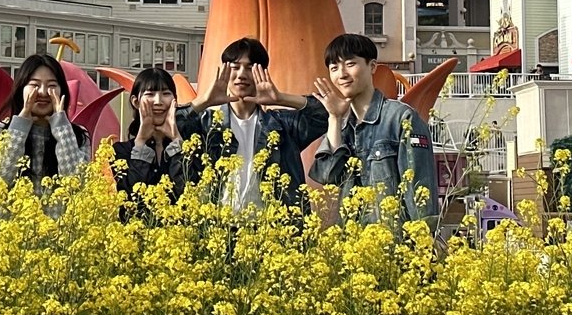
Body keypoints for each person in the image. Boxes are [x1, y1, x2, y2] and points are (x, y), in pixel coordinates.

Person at [176, 37, 329, 212]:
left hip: (274, 229)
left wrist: (280, 98)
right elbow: (167, 127)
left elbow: (327, 114)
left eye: (250, 67)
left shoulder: (282, 126)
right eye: (235, 67)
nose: (242, 74)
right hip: (219, 229)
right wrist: (204, 101)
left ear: (262, 72)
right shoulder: (207, 124)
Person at [309, 32, 439, 228]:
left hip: (396, 248)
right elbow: (328, 177)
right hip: (353, 248)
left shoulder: (401, 118)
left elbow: (420, 192)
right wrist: (334, 118)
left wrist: (423, 242)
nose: (342, 74)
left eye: (350, 64)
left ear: (372, 66)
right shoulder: (341, 125)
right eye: (334, 68)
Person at [0, 54, 90, 192]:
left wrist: (61, 128)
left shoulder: (78, 136)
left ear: (63, 91)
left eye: (52, 85)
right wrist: (20, 126)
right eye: (35, 85)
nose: (43, 92)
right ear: (21, 90)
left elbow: (77, 185)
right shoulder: (0, 132)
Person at [111, 68, 187, 208]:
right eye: (150, 94)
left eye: (165, 94)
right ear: (136, 101)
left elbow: (188, 192)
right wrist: (140, 142)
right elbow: (130, 198)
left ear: (175, 101)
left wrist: (176, 139)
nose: (158, 101)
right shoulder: (121, 151)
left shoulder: (189, 146)